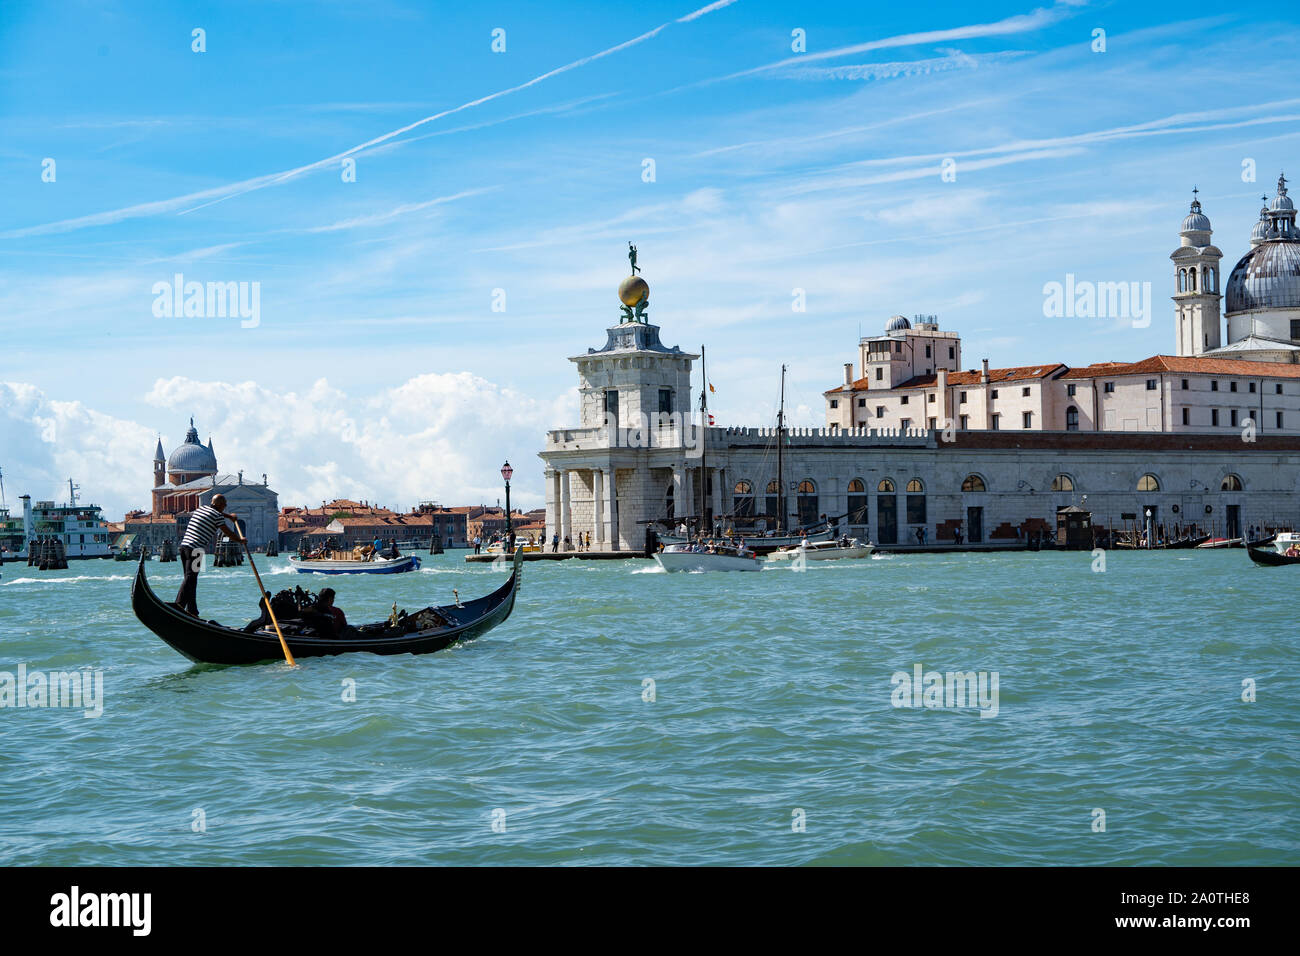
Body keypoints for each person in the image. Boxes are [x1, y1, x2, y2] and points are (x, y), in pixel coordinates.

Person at [174, 493, 240, 617]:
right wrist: (241, 540)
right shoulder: (217, 517)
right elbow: (228, 532)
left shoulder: (202, 509)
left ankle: (192, 611)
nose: (225, 508)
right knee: (190, 579)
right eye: (224, 506)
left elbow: (217, 514)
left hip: (184, 547)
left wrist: (229, 516)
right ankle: (179, 606)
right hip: (197, 550)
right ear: (220, 505)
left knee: (190, 579)